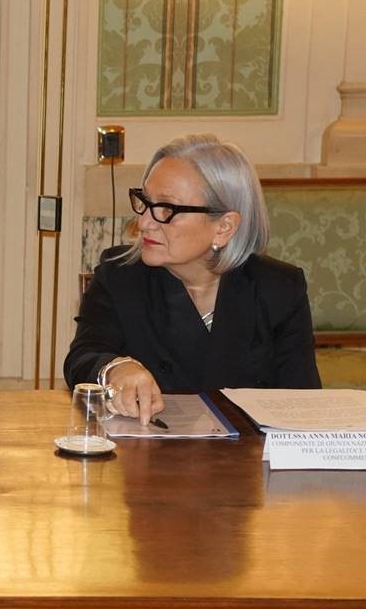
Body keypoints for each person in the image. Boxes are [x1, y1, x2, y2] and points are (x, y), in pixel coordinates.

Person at [64, 133, 319, 423]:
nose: (144, 222)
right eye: (145, 201)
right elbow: (82, 358)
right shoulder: (120, 275)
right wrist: (115, 369)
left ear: (224, 227)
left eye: (167, 209)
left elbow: (303, 400)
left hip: (248, 450)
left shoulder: (278, 288)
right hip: (148, 448)